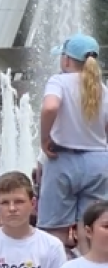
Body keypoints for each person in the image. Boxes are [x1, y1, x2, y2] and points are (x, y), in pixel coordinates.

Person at [41, 34, 108, 243]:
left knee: (55, 231)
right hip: (98, 161)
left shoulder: (59, 81)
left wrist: (44, 138)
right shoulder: (102, 88)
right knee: (91, 228)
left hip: (63, 159)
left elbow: (50, 106)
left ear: (67, 59)